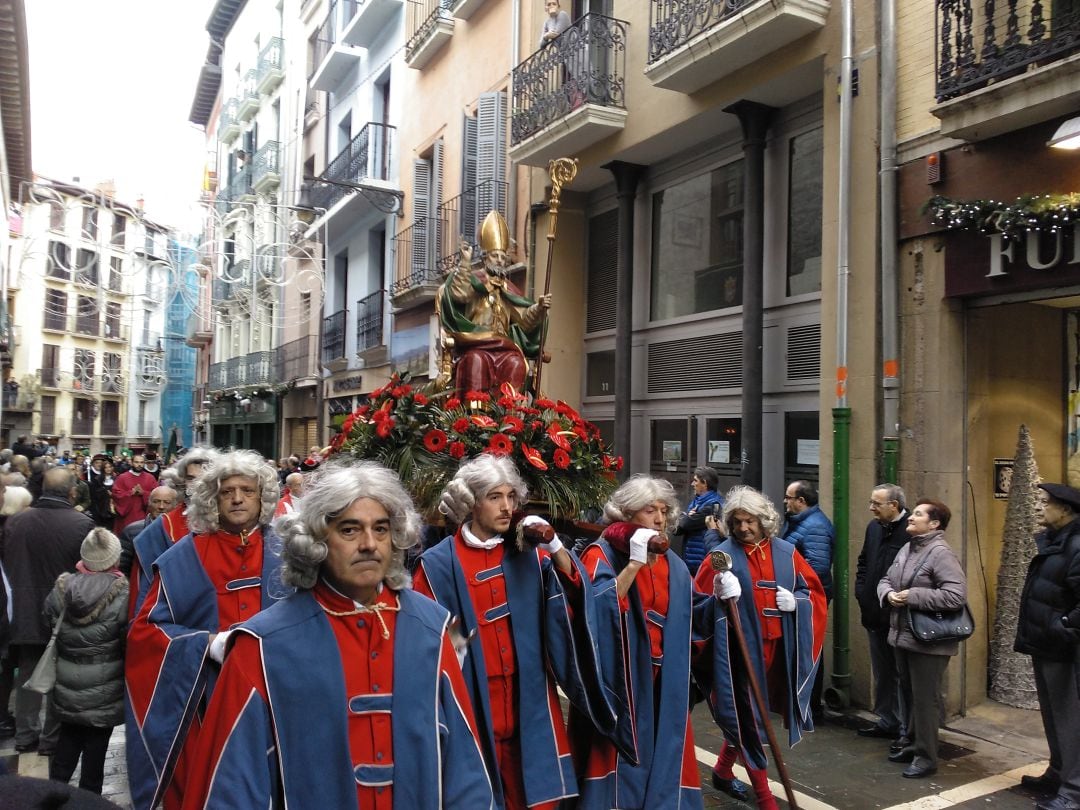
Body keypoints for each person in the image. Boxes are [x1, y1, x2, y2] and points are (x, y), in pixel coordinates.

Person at [182, 462, 495, 809]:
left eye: (381, 529)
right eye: (349, 530)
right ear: (316, 540)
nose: (369, 544)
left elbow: (465, 770)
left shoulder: (432, 628)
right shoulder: (261, 645)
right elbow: (232, 786)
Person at [414, 454, 615, 810]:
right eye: (495, 497)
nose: (507, 507)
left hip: (529, 697)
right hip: (473, 700)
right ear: (471, 503)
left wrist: (555, 547)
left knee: (534, 796)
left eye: (511, 496)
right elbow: (424, 641)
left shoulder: (530, 554)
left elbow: (574, 596)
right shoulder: (437, 564)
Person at [125, 449, 287, 810]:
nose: (237, 498)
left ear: (263, 497)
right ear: (212, 500)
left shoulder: (290, 551)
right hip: (208, 702)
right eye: (227, 491)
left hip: (279, 698)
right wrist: (206, 644)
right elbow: (145, 631)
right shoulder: (185, 555)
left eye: (247, 490)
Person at [571, 475, 742, 809]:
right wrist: (634, 565)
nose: (660, 519)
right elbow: (594, 614)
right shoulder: (602, 555)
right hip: (622, 684)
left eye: (664, 510)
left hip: (665, 685)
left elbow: (693, 615)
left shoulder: (674, 565)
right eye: (650, 510)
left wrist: (719, 601)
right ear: (627, 514)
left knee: (664, 753)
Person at [693, 485, 827, 809]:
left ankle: (723, 771)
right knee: (748, 721)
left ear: (764, 520)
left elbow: (814, 593)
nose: (743, 528)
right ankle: (766, 798)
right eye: (737, 521)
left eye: (750, 521)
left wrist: (797, 603)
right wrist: (717, 597)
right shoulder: (720, 558)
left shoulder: (786, 553)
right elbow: (695, 607)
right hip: (739, 656)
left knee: (747, 718)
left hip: (778, 655)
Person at [1, 468, 94, 754]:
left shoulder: (16, 521)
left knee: (29, 675)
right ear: (72, 492)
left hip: (24, 613)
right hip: (64, 612)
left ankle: (26, 735)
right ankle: (51, 739)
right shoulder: (82, 524)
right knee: (60, 677)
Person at [877, 498, 967, 779]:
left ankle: (927, 757)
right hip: (902, 636)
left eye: (918, 515)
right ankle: (913, 744)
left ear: (935, 523)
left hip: (930, 642)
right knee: (908, 694)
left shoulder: (941, 553)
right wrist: (888, 594)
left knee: (926, 700)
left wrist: (912, 596)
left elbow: (956, 595)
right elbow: (886, 580)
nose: (910, 518)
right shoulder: (907, 547)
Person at [44, 528, 128, 795]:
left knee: (66, 742)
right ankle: (89, 800)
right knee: (96, 754)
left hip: (67, 680)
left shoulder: (61, 588)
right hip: (105, 686)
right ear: (115, 557)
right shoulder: (123, 593)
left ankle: (51, 797)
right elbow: (127, 638)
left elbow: (47, 619)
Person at [1013, 483, 1080, 810]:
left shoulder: (1077, 545)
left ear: (1065, 509)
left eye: (1044, 503)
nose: (1038, 507)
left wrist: (1063, 627)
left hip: (1066, 649)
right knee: (1053, 715)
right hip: (1046, 643)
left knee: (1070, 720)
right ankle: (1057, 772)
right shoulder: (1056, 542)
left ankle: (1074, 790)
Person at [437, 211, 551, 398]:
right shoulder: (475, 281)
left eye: (502, 256)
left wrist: (538, 307)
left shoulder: (508, 289)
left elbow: (523, 321)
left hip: (504, 347)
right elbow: (459, 294)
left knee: (517, 363)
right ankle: (473, 416)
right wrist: (465, 263)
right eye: (495, 255)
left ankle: (509, 416)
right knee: (476, 360)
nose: (499, 260)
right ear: (485, 257)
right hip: (476, 344)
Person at [128, 447, 217, 619]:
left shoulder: (227, 522)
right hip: (175, 614)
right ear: (183, 482)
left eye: (204, 478)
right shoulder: (164, 526)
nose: (197, 485)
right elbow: (143, 589)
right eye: (191, 479)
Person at [854, 484, 911, 746]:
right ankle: (887, 720)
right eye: (870, 502)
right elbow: (864, 561)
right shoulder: (873, 528)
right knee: (883, 672)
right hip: (874, 612)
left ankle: (905, 728)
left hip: (899, 617)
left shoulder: (911, 532)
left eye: (877, 504)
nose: (871, 508)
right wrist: (862, 592)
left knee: (903, 674)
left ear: (894, 506)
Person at [781, 478, 835, 721]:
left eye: (789, 497)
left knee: (809, 648)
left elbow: (818, 567)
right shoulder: (800, 522)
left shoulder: (815, 527)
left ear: (801, 501)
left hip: (809, 596)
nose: (785, 501)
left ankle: (810, 706)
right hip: (799, 594)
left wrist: (793, 586)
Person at [118, 486, 178, 578]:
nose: (161, 507)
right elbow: (123, 568)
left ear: (175, 506)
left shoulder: (182, 533)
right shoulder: (131, 531)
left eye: (167, 502)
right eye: (156, 501)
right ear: (149, 504)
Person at [672, 465, 723, 573]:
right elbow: (678, 529)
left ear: (704, 483)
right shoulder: (698, 500)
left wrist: (685, 517)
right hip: (692, 558)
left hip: (701, 560)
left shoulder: (712, 505)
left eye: (695, 481)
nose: (692, 484)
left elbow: (685, 524)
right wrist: (686, 518)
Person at [110, 454, 156, 534]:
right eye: (136, 462)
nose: (139, 465)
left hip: (144, 516)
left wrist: (143, 493)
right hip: (127, 517)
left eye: (141, 462)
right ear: (131, 463)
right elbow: (116, 495)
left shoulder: (150, 478)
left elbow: (156, 495)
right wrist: (131, 492)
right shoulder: (122, 477)